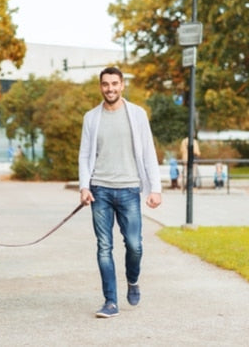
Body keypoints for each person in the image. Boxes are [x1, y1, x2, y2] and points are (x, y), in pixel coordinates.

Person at [78, 67, 162, 318]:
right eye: (105, 84)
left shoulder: (137, 114)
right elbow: (84, 155)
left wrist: (155, 189)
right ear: (100, 87)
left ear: (123, 85)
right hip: (100, 190)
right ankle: (110, 302)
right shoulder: (91, 117)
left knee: (134, 246)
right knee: (104, 246)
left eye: (115, 83)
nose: (110, 88)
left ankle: (133, 280)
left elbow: (148, 152)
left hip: (129, 190)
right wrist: (84, 186)